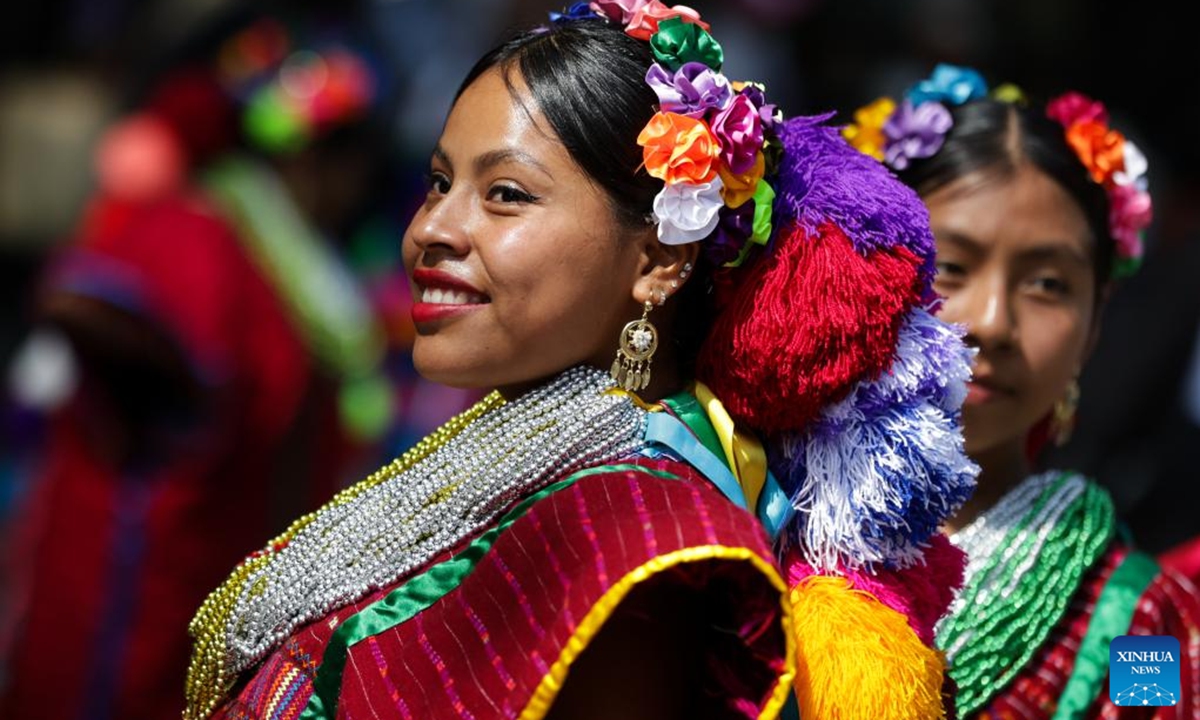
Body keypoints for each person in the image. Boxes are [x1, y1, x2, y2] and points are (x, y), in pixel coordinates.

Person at [185, 5, 977, 720]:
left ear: (662, 256)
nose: (433, 227)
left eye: (506, 194)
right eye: (438, 182)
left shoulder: (634, 535)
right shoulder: (547, 460)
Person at [0, 6, 399, 720]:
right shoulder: (203, 232)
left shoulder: (298, 269)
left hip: (215, 586)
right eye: (352, 168)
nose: (355, 195)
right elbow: (74, 304)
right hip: (136, 588)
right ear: (307, 158)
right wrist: (177, 403)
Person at [844, 64, 1200, 718]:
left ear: (1096, 326)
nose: (993, 321)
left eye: (1048, 285)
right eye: (949, 266)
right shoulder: (754, 526)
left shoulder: (1145, 620)